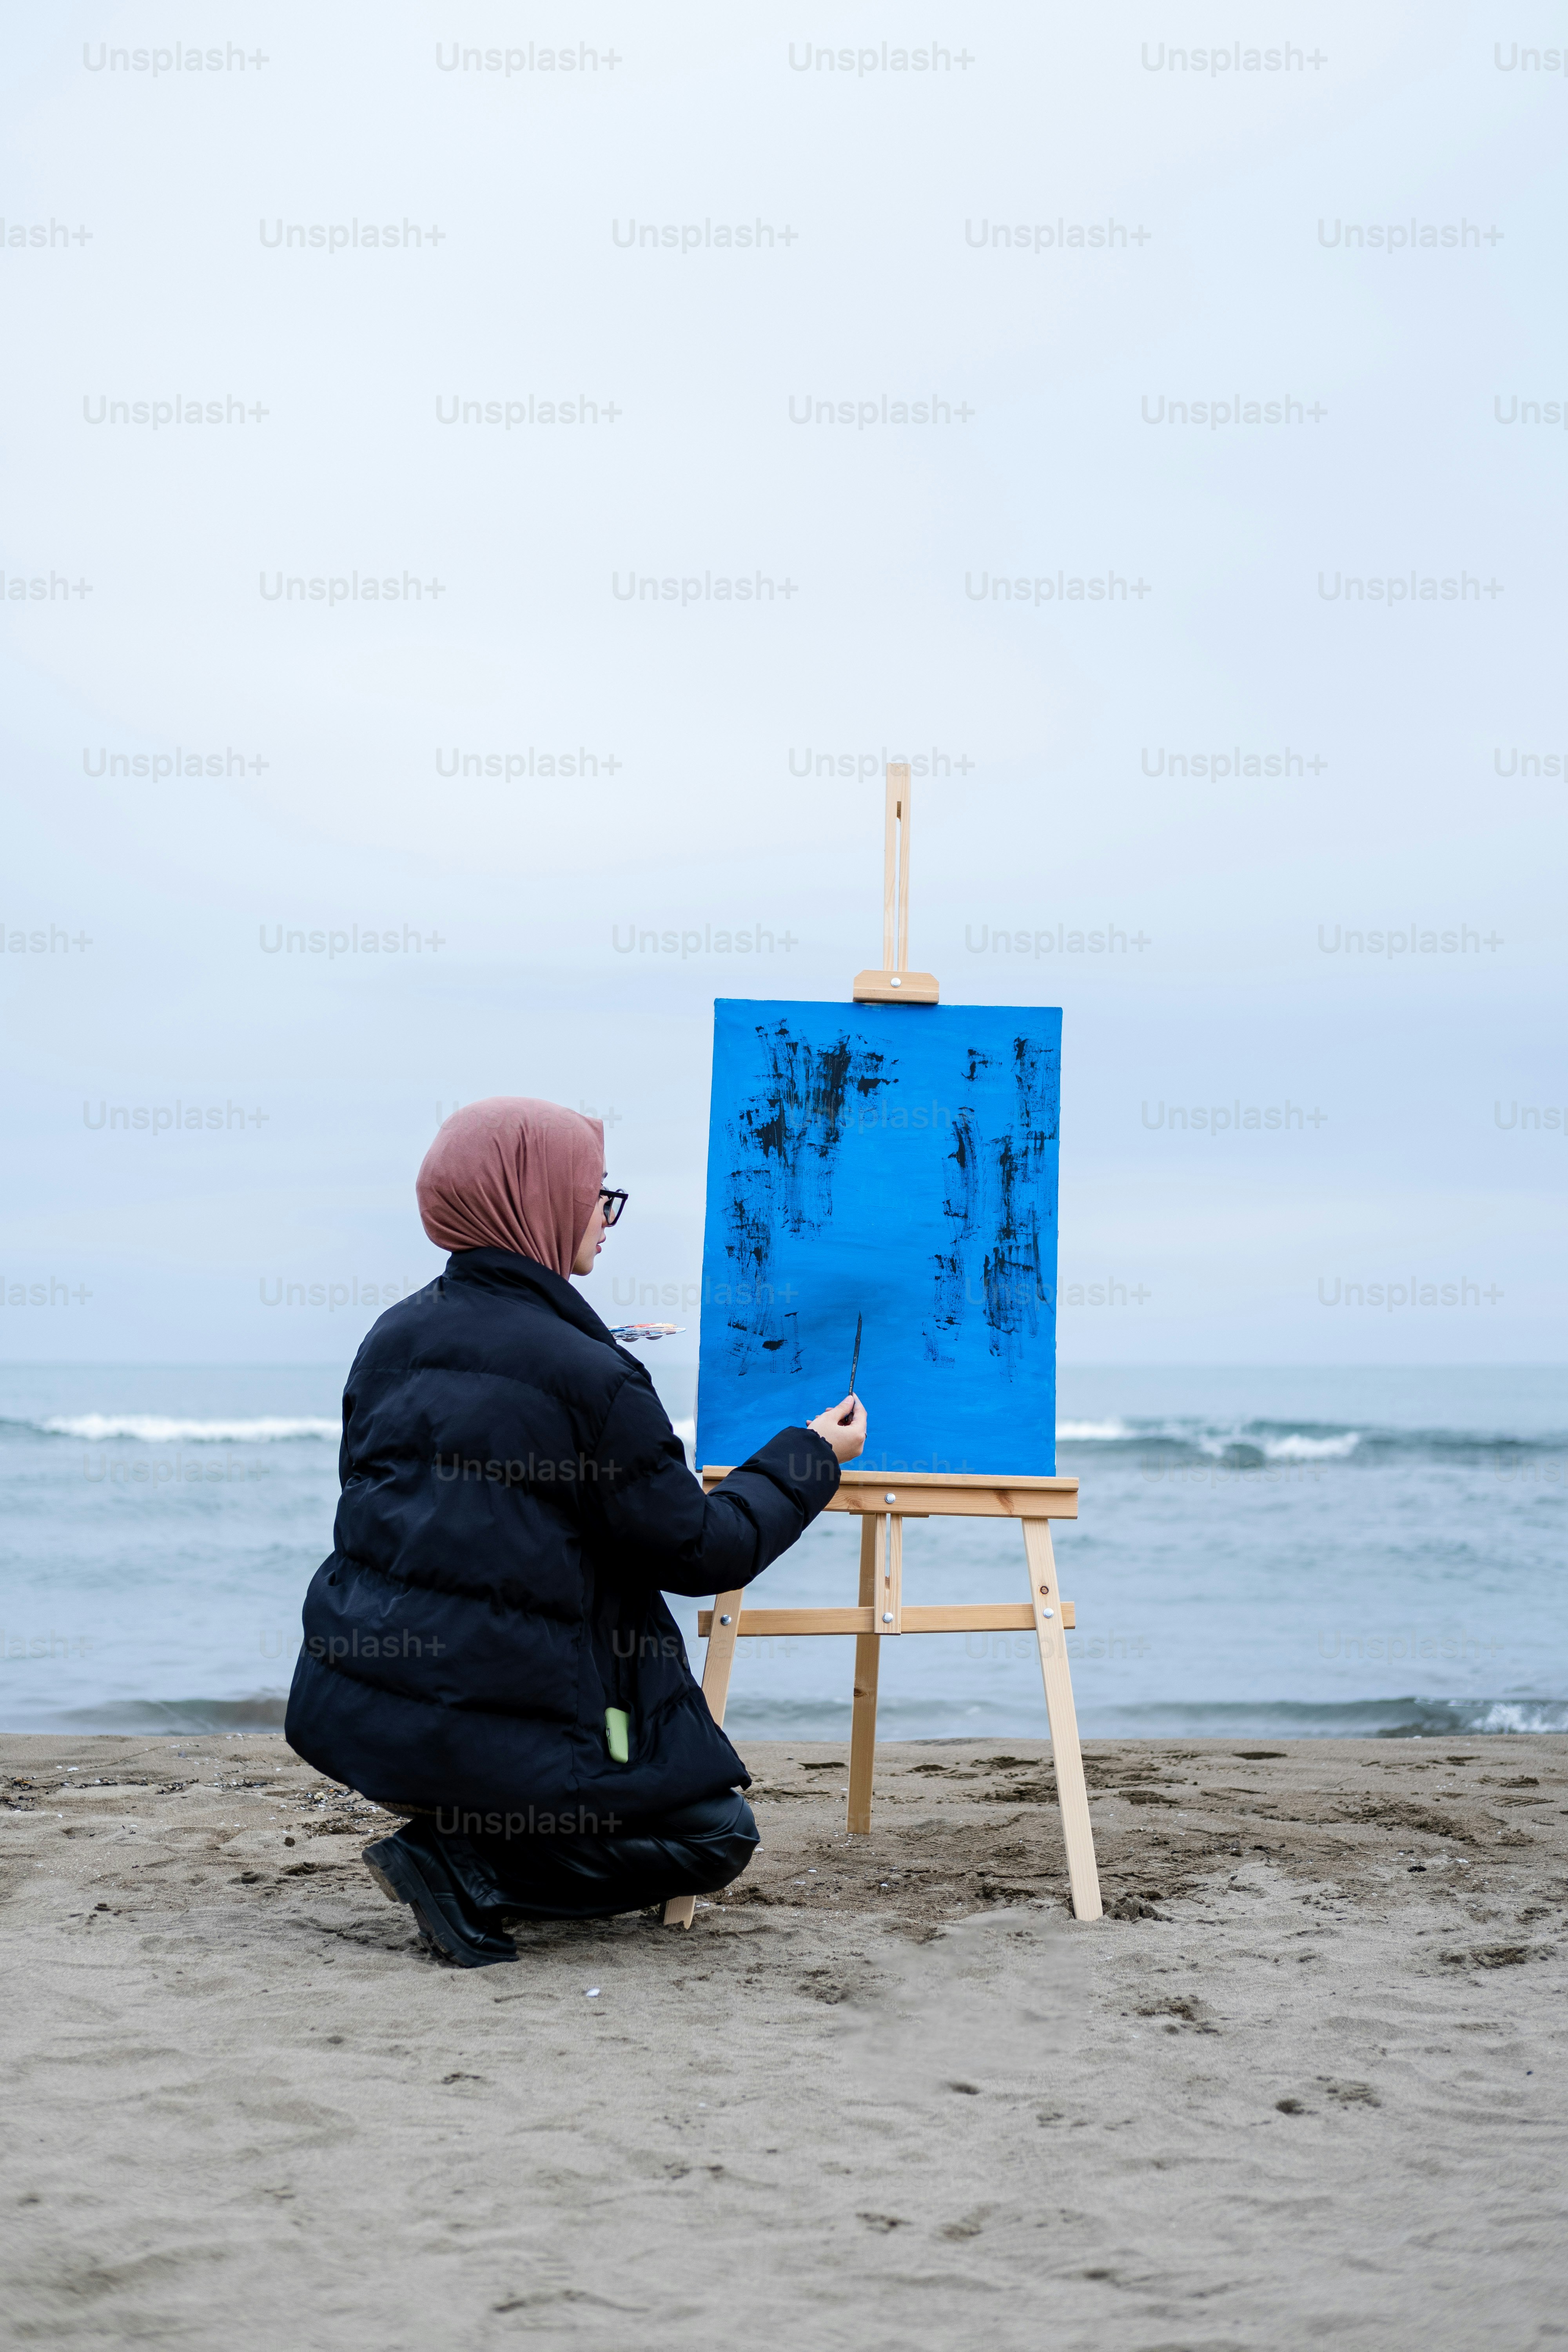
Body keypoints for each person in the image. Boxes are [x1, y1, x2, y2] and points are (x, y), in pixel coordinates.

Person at [284, 1095, 866, 1967]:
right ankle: (462, 1863)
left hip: (376, 1706)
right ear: (535, 1200)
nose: (606, 1215)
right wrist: (811, 1455)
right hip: (499, 1709)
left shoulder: (392, 1336)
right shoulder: (590, 1374)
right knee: (714, 1837)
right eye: (596, 1192)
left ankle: (463, 1827)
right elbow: (703, 1551)